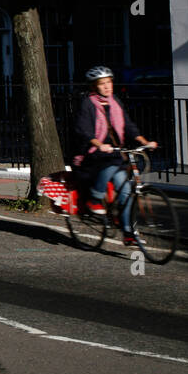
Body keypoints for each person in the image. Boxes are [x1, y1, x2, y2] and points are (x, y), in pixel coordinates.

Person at [71, 65, 157, 245]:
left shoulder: (115, 101)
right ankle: (95, 199)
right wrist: (99, 144)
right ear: (94, 86)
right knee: (110, 166)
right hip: (92, 154)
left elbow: (128, 124)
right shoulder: (88, 103)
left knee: (126, 191)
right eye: (102, 84)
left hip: (114, 154)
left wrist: (143, 141)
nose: (106, 87)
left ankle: (128, 233)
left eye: (108, 82)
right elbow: (83, 130)